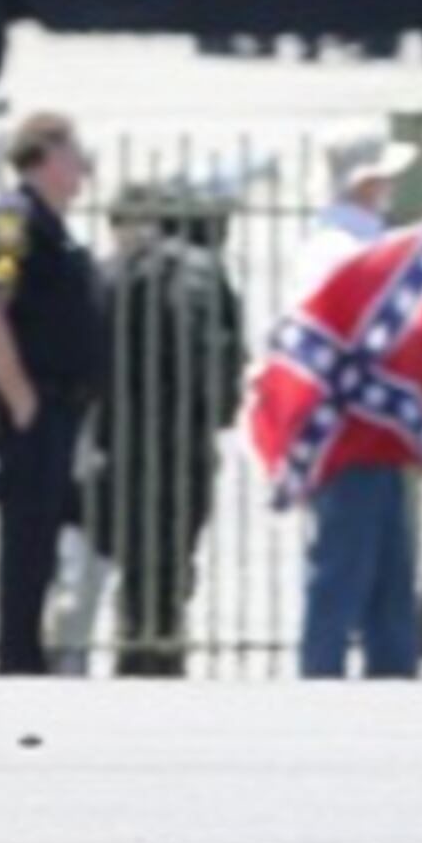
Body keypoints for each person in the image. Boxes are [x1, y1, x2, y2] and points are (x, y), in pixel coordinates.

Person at [0, 112, 107, 677]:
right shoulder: (12, 222)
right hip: (34, 410)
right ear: (44, 155)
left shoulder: (52, 224)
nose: (84, 171)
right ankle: (17, 661)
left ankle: (33, 656)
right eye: (75, 157)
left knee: (50, 539)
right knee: (26, 543)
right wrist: (21, 397)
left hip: (63, 408)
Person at [290, 141, 422, 681]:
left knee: (387, 574)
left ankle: (390, 681)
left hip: (369, 423)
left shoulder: (346, 241)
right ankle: (321, 681)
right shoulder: (342, 246)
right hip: (352, 423)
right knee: (344, 567)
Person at [92, 178, 246, 677]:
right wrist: (214, 412)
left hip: (121, 441)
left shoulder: (113, 271)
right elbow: (224, 365)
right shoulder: (203, 272)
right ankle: (162, 656)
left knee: (135, 568)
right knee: (173, 568)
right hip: (185, 443)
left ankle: (137, 653)